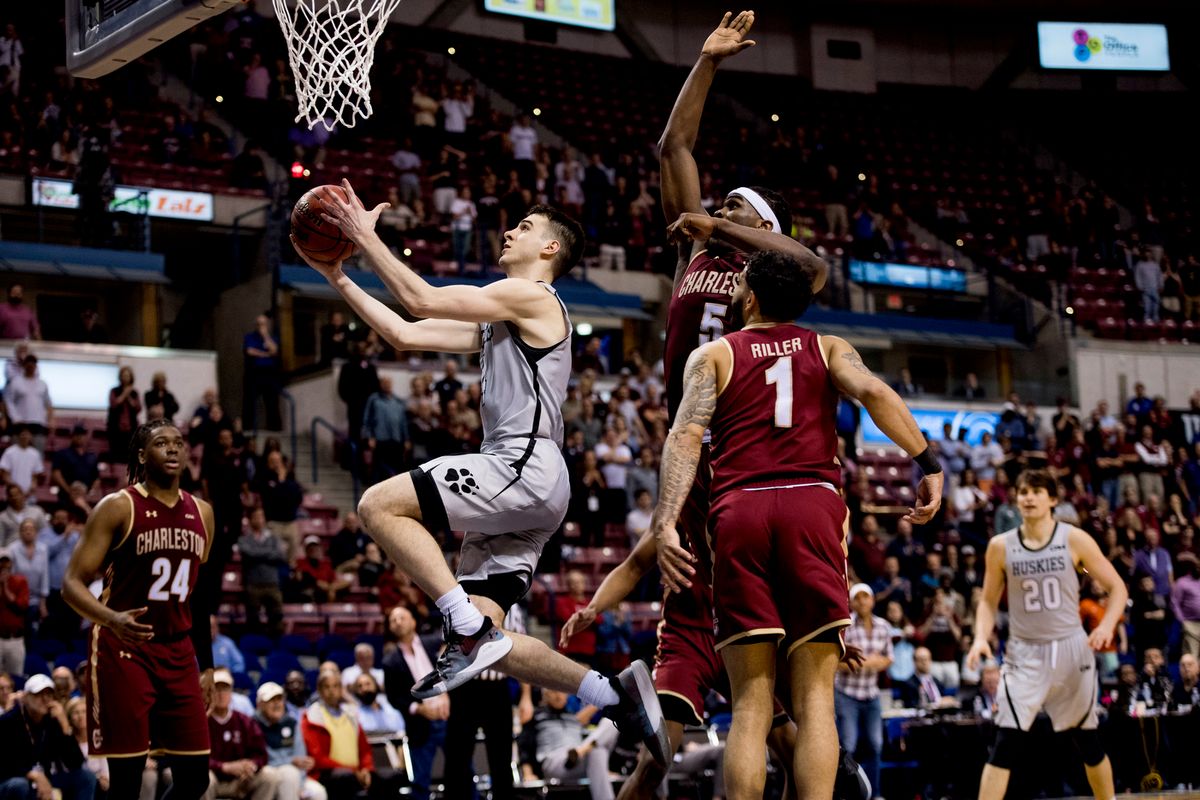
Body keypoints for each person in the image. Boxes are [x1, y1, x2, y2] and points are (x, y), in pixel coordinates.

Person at [298, 180, 669, 763]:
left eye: (524, 226)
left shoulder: (534, 298)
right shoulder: (504, 316)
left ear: (549, 250)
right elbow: (405, 331)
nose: (511, 231)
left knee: (376, 505)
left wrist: (364, 237)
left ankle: (464, 624)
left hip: (520, 462)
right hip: (534, 481)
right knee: (488, 642)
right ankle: (612, 692)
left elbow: (420, 298)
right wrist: (337, 277)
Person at [648, 247, 941, 800]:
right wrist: (928, 464)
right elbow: (877, 393)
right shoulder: (828, 346)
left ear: (751, 296)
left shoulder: (713, 354)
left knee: (752, 704)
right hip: (812, 505)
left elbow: (684, 437)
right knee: (815, 701)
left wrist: (666, 520)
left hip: (740, 509)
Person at [61, 420, 216, 800]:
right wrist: (110, 618)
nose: (173, 449)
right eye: (162, 443)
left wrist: (207, 664)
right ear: (142, 456)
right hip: (124, 648)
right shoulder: (118, 507)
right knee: (127, 781)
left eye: (178, 443)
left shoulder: (203, 513)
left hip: (179, 651)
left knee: (196, 778)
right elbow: (71, 584)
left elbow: (197, 597)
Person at [966, 469, 1128, 800]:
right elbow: (986, 601)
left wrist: (1106, 626)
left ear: (1052, 499)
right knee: (1005, 742)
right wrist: (980, 637)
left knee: (1087, 739)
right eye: (1022, 491)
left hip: (1071, 648)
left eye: (1036, 491)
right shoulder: (1000, 546)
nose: (1027, 496)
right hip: (1024, 651)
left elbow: (1117, 588)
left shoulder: (1074, 539)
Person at [381, 605, 446, 800]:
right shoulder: (390, 661)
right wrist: (417, 708)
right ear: (391, 628)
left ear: (413, 622)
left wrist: (449, 698)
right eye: (393, 620)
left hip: (448, 717)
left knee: (463, 770)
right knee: (420, 780)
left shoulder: (434, 643)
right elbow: (394, 697)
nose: (397, 622)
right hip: (420, 723)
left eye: (402, 617)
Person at [0, 674, 96, 800]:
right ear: (26, 697)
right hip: (13, 779)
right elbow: (4, 763)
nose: (45, 699)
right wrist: (33, 775)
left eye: (49, 695)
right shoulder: (8, 721)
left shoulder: (52, 721)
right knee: (19, 785)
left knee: (86, 777)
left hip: (46, 777)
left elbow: (75, 763)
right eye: (39, 695)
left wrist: (65, 725)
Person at [518, 689, 621, 800]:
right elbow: (525, 746)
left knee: (609, 726)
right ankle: (582, 751)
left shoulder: (573, 718)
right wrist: (527, 773)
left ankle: (580, 751)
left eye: (562, 692)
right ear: (546, 694)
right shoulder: (537, 716)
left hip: (577, 757)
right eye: (554, 692)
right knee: (595, 750)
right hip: (554, 761)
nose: (559, 696)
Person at [205, 668, 281, 800]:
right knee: (203, 777)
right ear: (210, 692)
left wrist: (251, 765)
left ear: (231, 691)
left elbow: (261, 754)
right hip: (214, 778)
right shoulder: (202, 722)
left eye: (225, 689)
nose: (221, 694)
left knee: (269, 775)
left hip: (241, 780)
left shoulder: (244, 721)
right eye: (217, 689)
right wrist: (224, 767)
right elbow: (196, 759)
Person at [254, 682, 327, 800]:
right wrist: (290, 761)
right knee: (289, 774)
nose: (277, 704)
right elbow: (263, 759)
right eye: (271, 700)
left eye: (279, 699)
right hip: (267, 775)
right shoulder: (253, 724)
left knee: (318, 792)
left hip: (295, 776)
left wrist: (301, 784)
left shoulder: (291, 723)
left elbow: (301, 757)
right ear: (260, 705)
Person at [237, 507, 286, 637]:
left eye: (261, 516)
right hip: (253, 583)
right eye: (256, 516)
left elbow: (280, 555)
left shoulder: (273, 538)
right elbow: (247, 553)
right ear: (250, 519)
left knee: (276, 615)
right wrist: (268, 553)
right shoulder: (244, 538)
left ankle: (276, 645)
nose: (259, 519)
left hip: (272, 583)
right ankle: (256, 644)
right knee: (253, 616)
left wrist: (256, 554)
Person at [361, 376, 409, 485]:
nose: (387, 385)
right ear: (381, 384)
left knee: (398, 469)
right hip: (380, 439)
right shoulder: (374, 399)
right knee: (377, 469)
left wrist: (406, 439)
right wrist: (369, 436)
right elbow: (367, 419)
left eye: (389, 383)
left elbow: (403, 423)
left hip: (396, 440)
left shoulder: (398, 402)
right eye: (384, 383)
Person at [243, 313, 282, 432]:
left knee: (272, 400)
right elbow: (250, 351)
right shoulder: (250, 337)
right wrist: (265, 354)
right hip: (254, 372)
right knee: (250, 400)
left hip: (269, 372)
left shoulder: (273, 337)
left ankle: (274, 428)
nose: (261, 326)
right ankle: (248, 428)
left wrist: (266, 336)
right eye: (259, 324)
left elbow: (274, 351)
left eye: (263, 324)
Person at [67, 695, 110, 795]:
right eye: (76, 713)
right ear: (70, 718)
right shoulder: (67, 741)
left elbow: (105, 768)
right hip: (76, 785)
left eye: (84, 712)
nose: (80, 716)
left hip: (100, 786)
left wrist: (105, 778)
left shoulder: (98, 737)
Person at [0, 548, 29, 677]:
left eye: (7, 562)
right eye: (1, 563)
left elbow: (21, 606)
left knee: (16, 678)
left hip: (15, 640)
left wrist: (5, 586)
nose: (4, 566)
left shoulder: (20, 582)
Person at [106, 367, 142, 464]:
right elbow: (114, 404)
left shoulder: (134, 393)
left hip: (131, 429)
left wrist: (128, 396)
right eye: (123, 375)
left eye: (127, 376)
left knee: (130, 454)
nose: (125, 378)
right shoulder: (114, 391)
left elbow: (138, 408)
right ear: (120, 377)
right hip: (116, 428)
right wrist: (124, 393)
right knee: (116, 454)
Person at [0, 426, 43, 495]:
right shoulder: (9, 452)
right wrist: (15, 489)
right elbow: (4, 474)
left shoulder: (35, 454)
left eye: (27, 434)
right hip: (12, 494)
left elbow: (35, 476)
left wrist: (30, 490)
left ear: (31, 436)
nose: (25, 437)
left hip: (29, 495)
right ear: (18, 436)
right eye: (23, 434)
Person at [1173, 553, 1200, 658]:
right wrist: (1183, 621)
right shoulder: (1182, 582)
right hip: (1190, 624)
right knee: (1192, 657)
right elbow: (1175, 603)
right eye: (1197, 566)